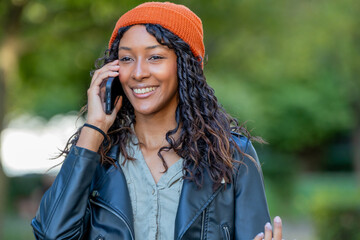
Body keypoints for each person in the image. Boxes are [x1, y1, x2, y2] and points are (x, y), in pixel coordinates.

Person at [31, 2, 284, 240]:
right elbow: (52, 234)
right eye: (127, 58)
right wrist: (94, 128)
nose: (139, 73)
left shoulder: (233, 156)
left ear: (186, 66)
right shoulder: (97, 154)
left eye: (155, 57)